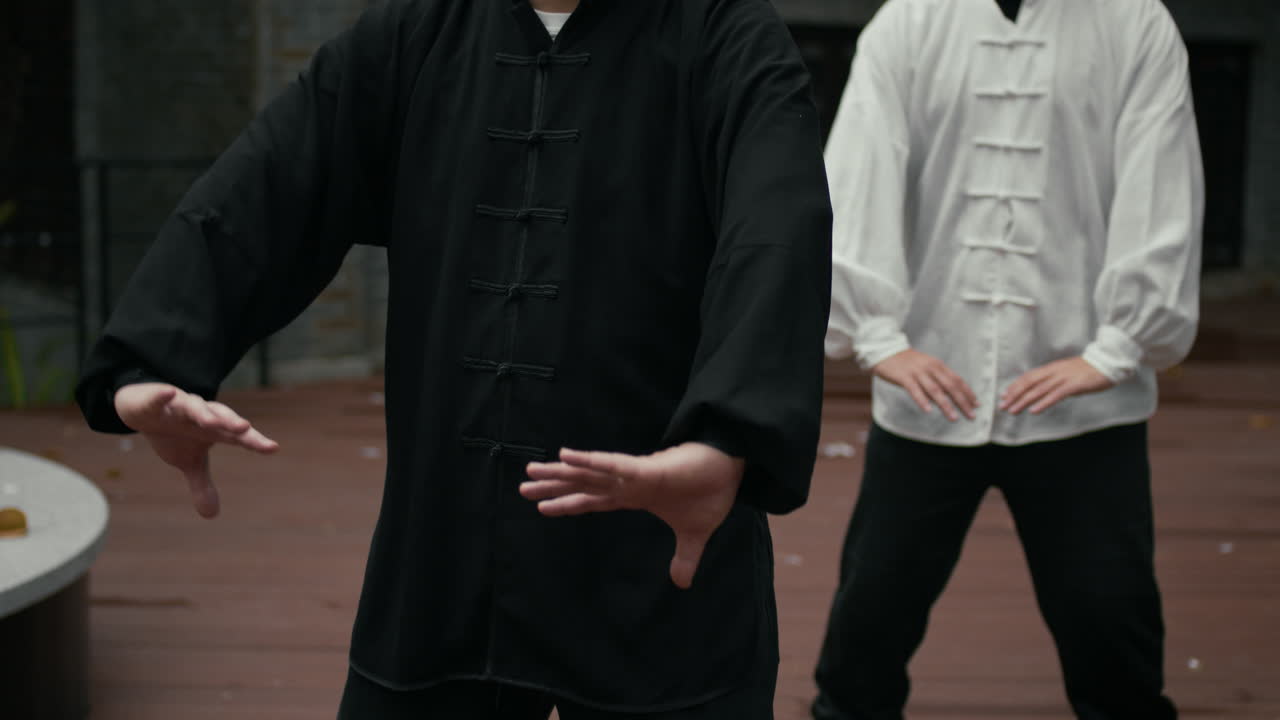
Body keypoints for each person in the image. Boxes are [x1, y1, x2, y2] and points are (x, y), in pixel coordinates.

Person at [75, 1, 833, 718]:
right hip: (446, 551)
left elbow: (776, 229)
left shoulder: (726, 33)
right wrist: (151, 362)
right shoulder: (419, 31)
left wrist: (727, 443)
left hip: (662, 532)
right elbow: (270, 182)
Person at [815, 0, 1203, 717]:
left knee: (1114, 642)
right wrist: (878, 336)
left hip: (1084, 407)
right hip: (932, 387)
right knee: (865, 635)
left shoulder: (1134, 22)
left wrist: (1116, 348)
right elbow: (860, 170)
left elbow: (1160, 181)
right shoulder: (909, 22)